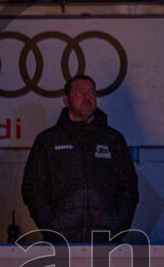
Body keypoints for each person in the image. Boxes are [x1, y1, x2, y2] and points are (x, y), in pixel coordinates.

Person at [21, 74, 138, 243]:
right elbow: (33, 189)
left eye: (91, 92)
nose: (87, 98)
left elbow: (129, 188)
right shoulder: (48, 141)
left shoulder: (113, 140)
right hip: (62, 242)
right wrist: (51, 229)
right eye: (79, 93)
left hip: (106, 240)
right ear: (66, 100)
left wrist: (119, 228)